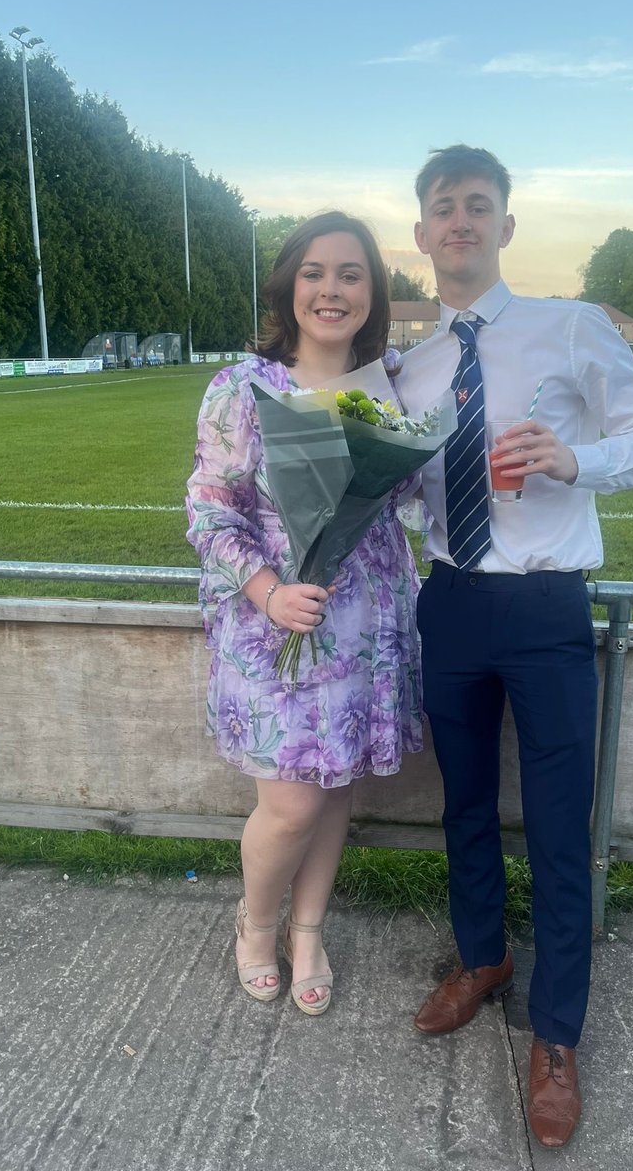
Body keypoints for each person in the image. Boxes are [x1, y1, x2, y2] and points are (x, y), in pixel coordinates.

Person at [396, 146, 633, 1148]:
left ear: (506, 226)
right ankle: (482, 959)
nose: (461, 222)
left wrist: (576, 457)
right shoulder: (413, 368)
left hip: (548, 606)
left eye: (479, 206)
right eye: (444, 208)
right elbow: (398, 489)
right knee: (464, 806)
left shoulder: (571, 328)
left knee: (560, 827)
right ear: (423, 232)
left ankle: (555, 1036)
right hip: (452, 603)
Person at [185, 212, 423, 1016]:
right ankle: (256, 926)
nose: (332, 289)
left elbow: (413, 492)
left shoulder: (393, 383)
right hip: (274, 622)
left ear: (372, 291)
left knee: (333, 786)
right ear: (290, 286)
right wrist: (268, 592)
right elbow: (210, 512)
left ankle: (309, 931)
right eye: (316, 272)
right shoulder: (242, 388)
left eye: (351, 274)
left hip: (367, 620)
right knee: (289, 801)